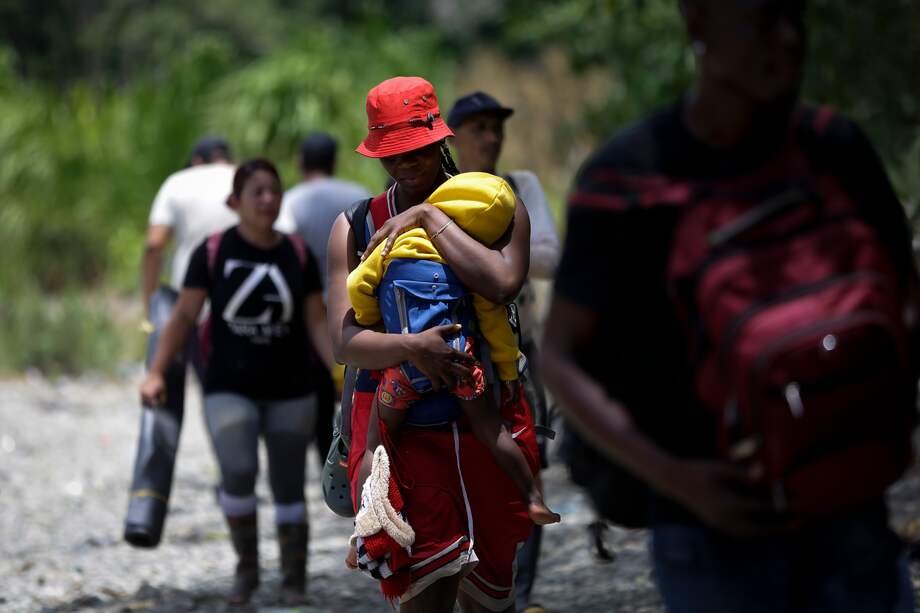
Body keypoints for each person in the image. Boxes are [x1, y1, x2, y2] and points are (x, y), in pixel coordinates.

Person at [542, 1, 918, 612]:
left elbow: (905, 299)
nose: (788, 38)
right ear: (698, 23)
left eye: (796, 16)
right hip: (713, 535)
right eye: (763, 19)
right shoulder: (630, 181)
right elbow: (560, 358)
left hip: (852, 515)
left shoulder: (835, 147)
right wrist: (677, 478)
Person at [327, 75, 541, 612]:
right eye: (391, 154)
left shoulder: (494, 207)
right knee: (421, 590)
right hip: (400, 429)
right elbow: (344, 341)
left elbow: (503, 283)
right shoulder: (356, 225)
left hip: (484, 412)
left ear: (440, 140)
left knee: (492, 594)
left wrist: (427, 216)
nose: (404, 164)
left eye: (416, 150)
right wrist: (415, 347)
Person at [140, 159, 335, 606]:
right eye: (257, 192)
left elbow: (316, 321)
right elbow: (184, 316)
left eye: (274, 191)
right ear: (234, 202)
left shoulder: (298, 253)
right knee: (238, 470)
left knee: (289, 483)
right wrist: (155, 372)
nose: (268, 200)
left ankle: (294, 580)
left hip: (293, 387)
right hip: (228, 385)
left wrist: (339, 370)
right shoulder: (213, 252)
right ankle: (247, 570)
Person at [346, 171, 559, 526]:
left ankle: (368, 517)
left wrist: (375, 319)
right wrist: (507, 370)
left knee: (376, 443)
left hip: (403, 370)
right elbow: (494, 320)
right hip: (461, 359)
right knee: (492, 430)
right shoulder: (466, 260)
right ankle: (532, 497)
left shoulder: (392, 244)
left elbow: (358, 289)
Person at [447, 91, 561, 613]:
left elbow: (549, 257)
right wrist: (503, 247)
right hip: (455, 356)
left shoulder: (521, 185)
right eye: (480, 129)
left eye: (497, 128)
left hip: (519, 352)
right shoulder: (440, 188)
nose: (492, 138)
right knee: (460, 466)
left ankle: (521, 594)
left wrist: (466, 244)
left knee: (527, 466)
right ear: (454, 138)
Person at [275, 133, 371, 464]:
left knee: (316, 385)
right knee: (355, 385)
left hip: (308, 310)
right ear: (334, 160)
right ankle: (352, 451)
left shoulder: (291, 201)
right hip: (355, 307)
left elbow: (283, 253)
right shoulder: (358, 195)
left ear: (301, 162)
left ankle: (325, 459)